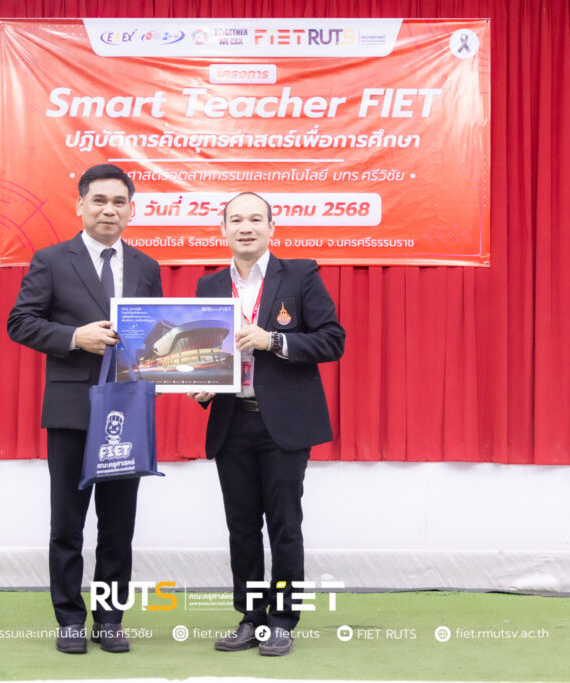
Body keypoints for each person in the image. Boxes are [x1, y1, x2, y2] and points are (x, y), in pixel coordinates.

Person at [7, 164, 163, 654]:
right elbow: (20, 322)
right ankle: (70, 620)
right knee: (67, 525)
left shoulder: (146, 267)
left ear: (131, 210)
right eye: (99, 200)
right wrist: (75, 337)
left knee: (118, 527)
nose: (108, 210)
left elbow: (158, 336)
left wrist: (182, 371)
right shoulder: (52, 260)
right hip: (72, 411)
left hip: (127, 411)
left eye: (118, 202)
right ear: (80, 206)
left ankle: (110, 620)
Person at [190, 191, 345, 656]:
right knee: (241, 528)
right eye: (236, 220)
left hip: (283, 424)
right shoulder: (208, 285)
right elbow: (202, 351)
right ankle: (251, 617)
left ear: (271, 228)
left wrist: (272, 340)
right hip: (231, 420)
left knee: (284, 525)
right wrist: (201, 383)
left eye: (256, 219)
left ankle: (282, 620)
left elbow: (332, 340)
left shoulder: (299, 275)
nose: (246, 227)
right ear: (223, 230)